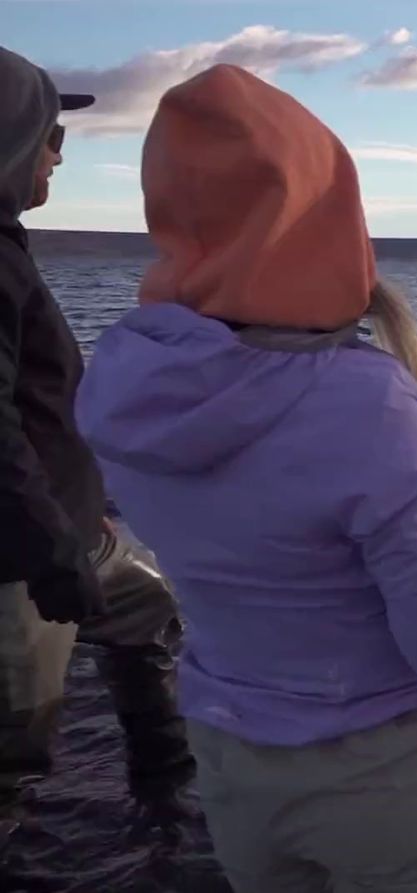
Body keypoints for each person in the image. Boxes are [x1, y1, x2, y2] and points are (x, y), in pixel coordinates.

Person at [74, 63, 417, 893]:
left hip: (237, 773)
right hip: (393, 784)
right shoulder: (363, 399)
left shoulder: (122, 384)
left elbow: (272, 476)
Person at [0, 44, 194, 851]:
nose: (59, 152)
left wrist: (86, 508)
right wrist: (50, 550)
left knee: (149, 607)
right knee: (11, 756)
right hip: (18, 562)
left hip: (67, 531)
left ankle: (167, 794)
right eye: (47, 133)